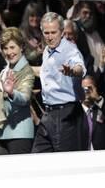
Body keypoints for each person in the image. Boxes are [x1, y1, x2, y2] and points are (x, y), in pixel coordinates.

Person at [31, 12, 88, 153]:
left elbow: (80, 68)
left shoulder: (69, 50)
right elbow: (45, 71)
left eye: (53, 32)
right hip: (48, 114)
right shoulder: (47, 50)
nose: (49, 37)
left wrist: (73, 71)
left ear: (62, 32)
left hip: (66, 115)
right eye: (46, 33)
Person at [0, 27, 35, 154]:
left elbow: (24, 97)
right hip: (0, 134)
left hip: (19, 134)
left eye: (12, 47)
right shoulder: (4, 71)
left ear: (22, 47)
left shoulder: (26, 71)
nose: (9, 52)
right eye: (5, 48)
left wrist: (12, 92)